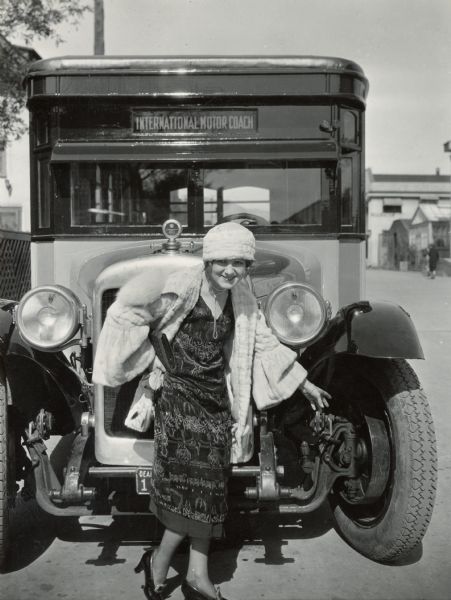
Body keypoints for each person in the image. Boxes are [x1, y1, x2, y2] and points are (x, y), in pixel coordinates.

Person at [92, 222, 330, 600]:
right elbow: (131, 316)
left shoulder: (242, 296)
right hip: (178, 397)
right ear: (209, 259)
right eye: (223, 261)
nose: (230, 270)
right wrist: (127, 334)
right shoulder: (180, 285)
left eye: (239, 262)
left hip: (217, 400)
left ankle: (195, 573)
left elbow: (263, 342)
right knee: (188, 491)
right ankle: (161, 563)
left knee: (212, 489)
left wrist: (304, 384)